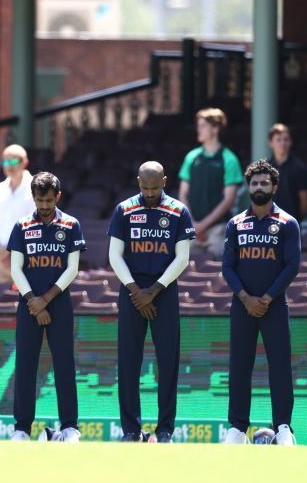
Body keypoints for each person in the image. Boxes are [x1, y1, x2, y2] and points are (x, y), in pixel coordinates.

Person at [108, 161, 195, 442]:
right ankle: (131, 430)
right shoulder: (124, 209)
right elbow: (114, 255)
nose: (149, 194)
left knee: (167, 363)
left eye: (155, 188)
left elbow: (182, 258)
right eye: (144, 188)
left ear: (165, 181)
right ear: (138, 182)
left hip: (164, 292)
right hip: (132, 291)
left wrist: (153, 291)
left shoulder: (179, 211)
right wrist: (136, 291)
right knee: (128, 363)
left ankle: (165, 429)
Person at [221, 160, 300, 445]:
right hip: (242, 306)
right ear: (248, 186)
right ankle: (237, 428)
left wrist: (266, 298)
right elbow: (228, 266)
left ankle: (283, 427)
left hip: (274, 306)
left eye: (264, 183)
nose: (259, 187)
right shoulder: (236, 223)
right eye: (254, 183)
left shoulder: (288, 223)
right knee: (239, 367)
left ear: (274, 187)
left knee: (279, 367)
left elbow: (292, 266)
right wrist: (245, 297)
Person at [7, 172, 86, 443]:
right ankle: (21, 428)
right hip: (28, 304)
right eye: (40, 200)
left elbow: (72, 269)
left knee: (64, 365)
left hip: (59, 303)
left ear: (58, 197)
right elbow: (15, 269)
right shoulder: (21, 226)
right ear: (34, 197)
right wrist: (34, 302)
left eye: (49, 200)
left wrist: (46, 300)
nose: (44, 206)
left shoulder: (71, 225)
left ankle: (69, 427)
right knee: (25, 366)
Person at [177, 108, 242, 257]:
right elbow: (183, 194)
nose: (198, 129)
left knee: (219, 269)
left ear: (215, 129)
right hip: (191, 229)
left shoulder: (229, 159)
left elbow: (228, 199)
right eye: (198, 125)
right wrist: (192, 224)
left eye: (203, 126)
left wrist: (203, 225)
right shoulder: (191, 157)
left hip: (218, 230)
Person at [0, 145, 35, 283]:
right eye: (6, 162)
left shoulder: (36, 189)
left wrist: (12, 253)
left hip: (27, 259)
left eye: (13, 162)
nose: (9, 166)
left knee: (29, 303)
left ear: (24, 162)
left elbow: (37, 226)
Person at [266, 124, 307, 221]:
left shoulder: (299, 168)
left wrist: (296, 220)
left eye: (286, 139)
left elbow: (305, 201)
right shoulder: (265, 168)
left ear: (290, 142)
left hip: (292, 222)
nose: (283, 143)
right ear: (270, 143)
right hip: (268, 222)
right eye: (278, 140)